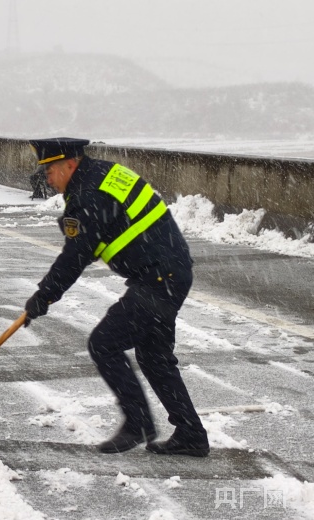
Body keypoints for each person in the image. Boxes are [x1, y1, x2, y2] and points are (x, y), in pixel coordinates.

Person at [24, 137, 209, 457]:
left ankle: (138, 423)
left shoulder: (88, 194)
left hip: (158, 279)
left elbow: (77, 254)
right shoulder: (102, 175)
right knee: (155, 357)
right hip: (169, 274)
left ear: (70, 164)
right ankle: (191, 432)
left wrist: (44, 296)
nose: (47, 178)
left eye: (51, 170)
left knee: (104, 343)